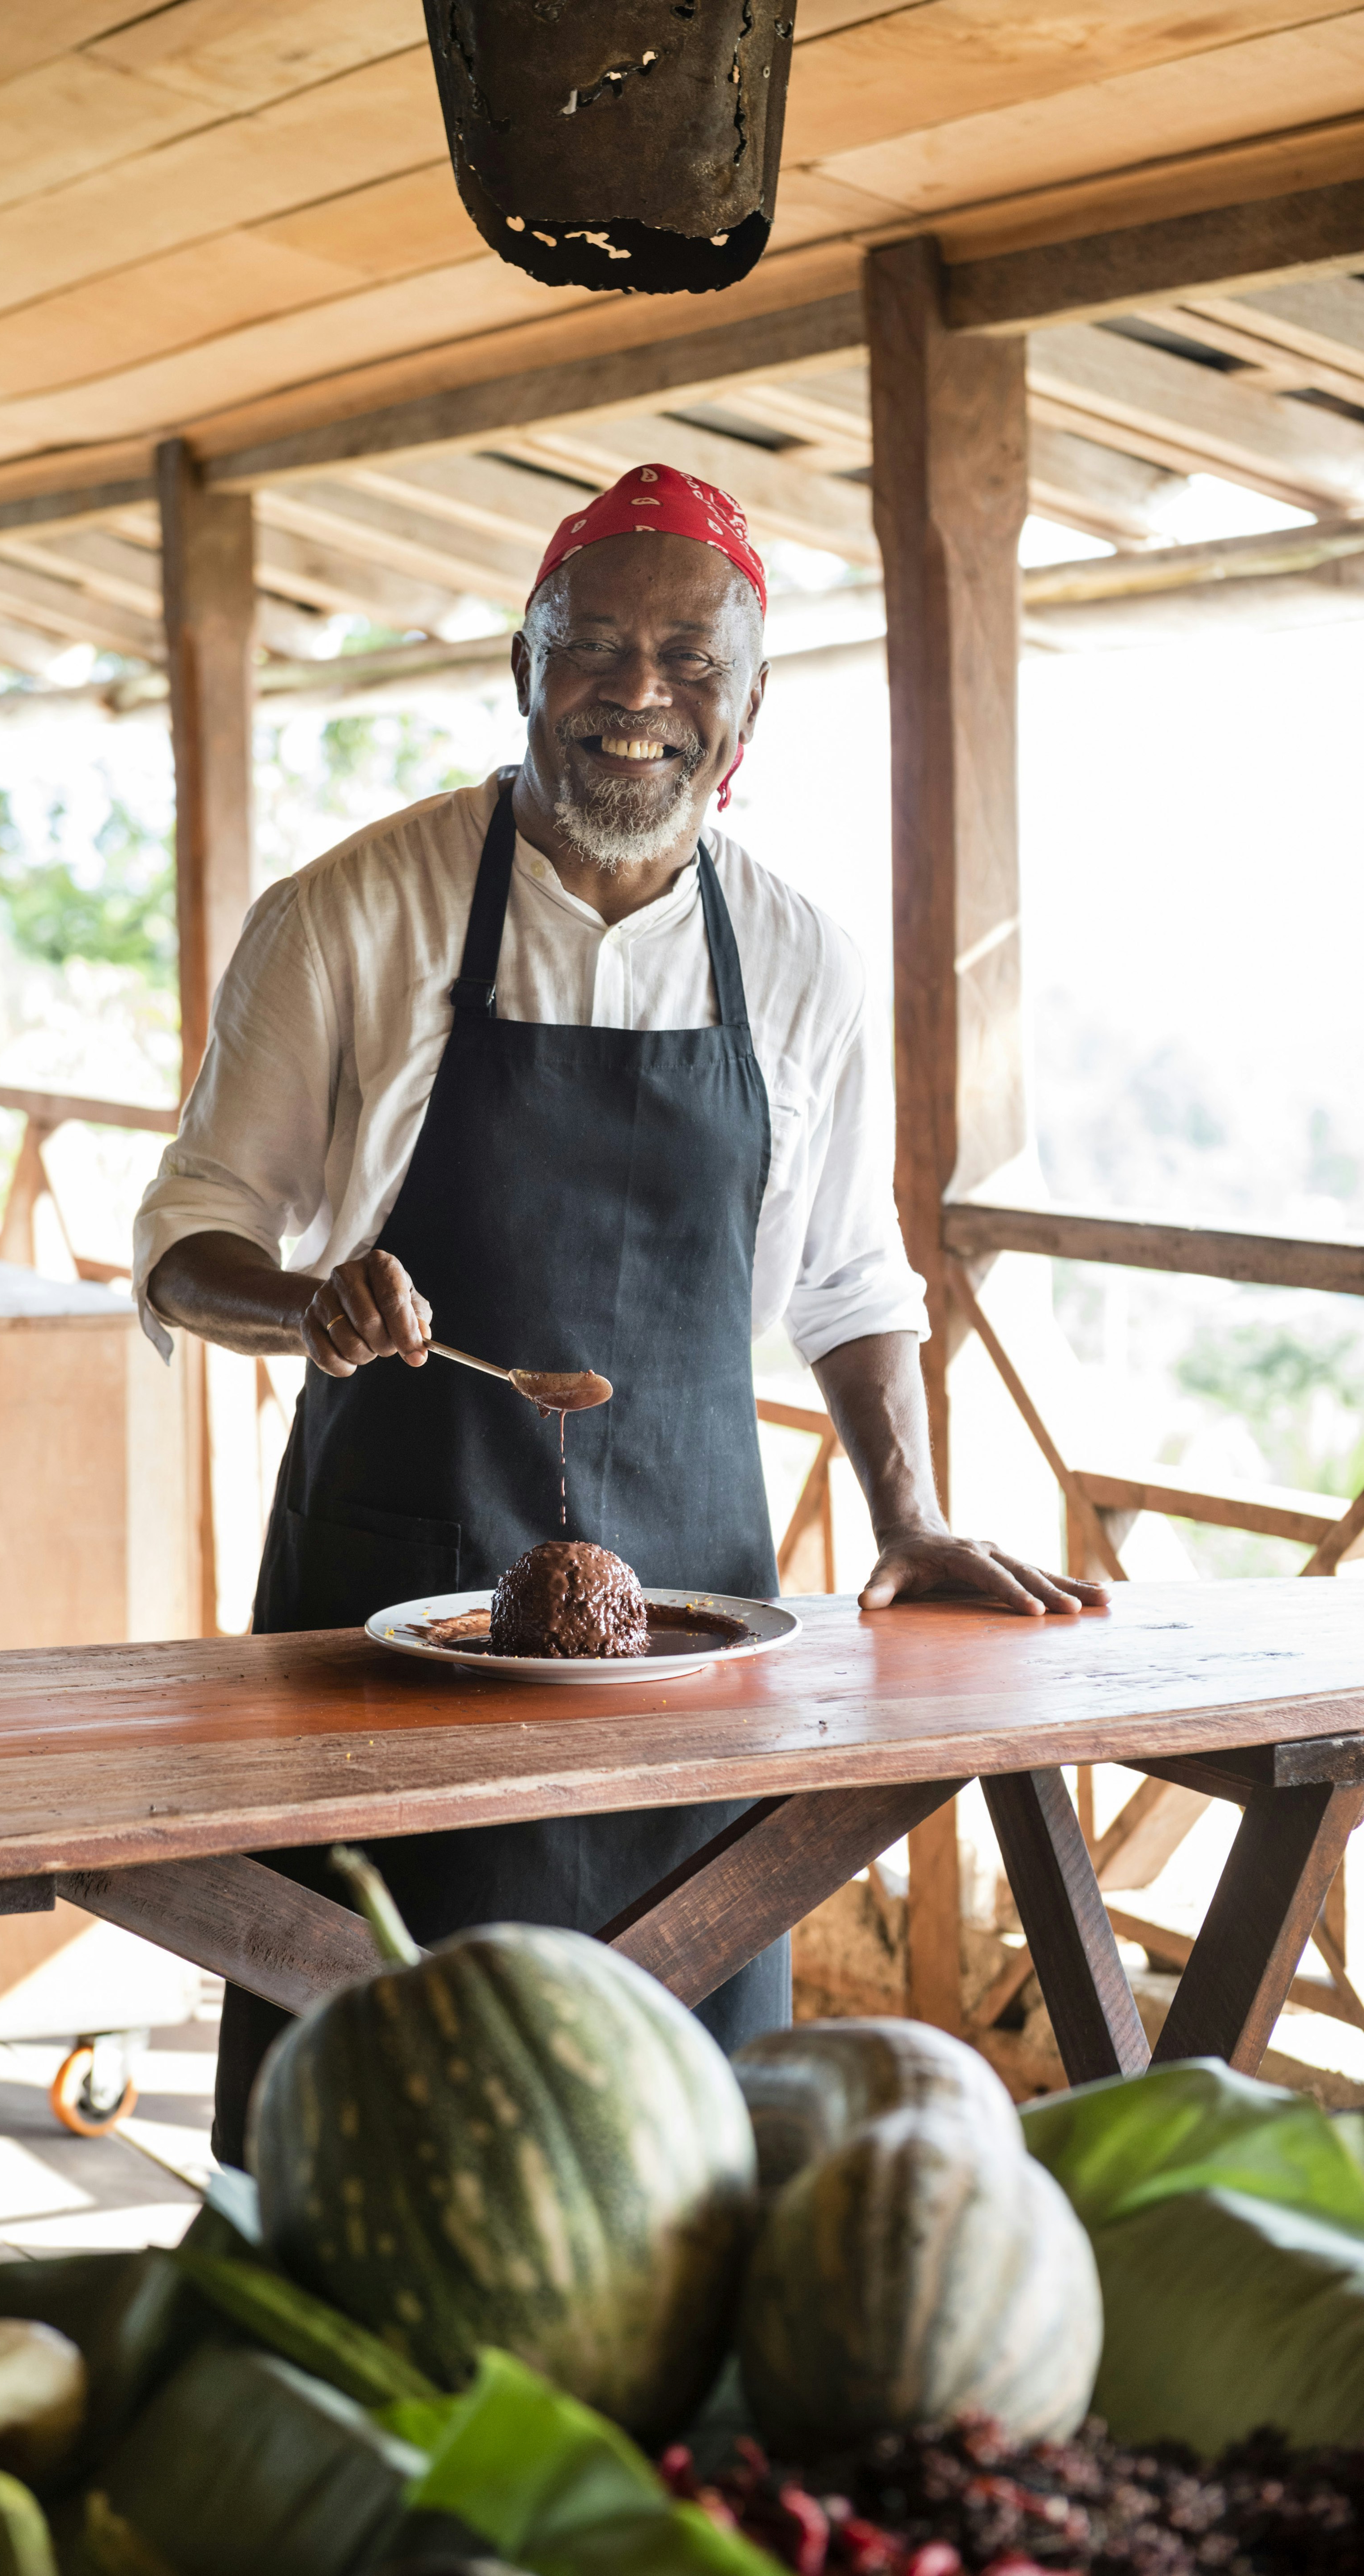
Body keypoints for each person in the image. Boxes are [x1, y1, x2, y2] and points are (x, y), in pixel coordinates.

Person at [133, 463, 1106, 2158]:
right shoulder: (354, 912)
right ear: (524, 666)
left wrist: (916, 1514)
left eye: (687, 659)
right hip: (387, 1638)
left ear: (746, 712)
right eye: (593, 648)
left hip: (693, 1634)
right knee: (372, 2128)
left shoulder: (797, 958)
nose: (637, 693)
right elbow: (183, 1236)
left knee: (678, 2144)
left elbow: (851, 1277)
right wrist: (305, 1304)